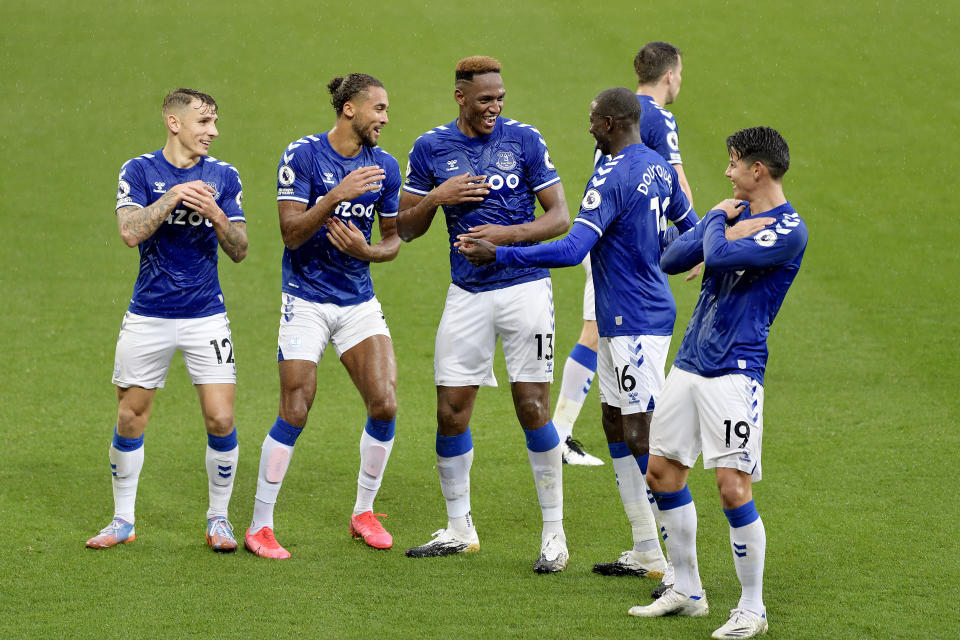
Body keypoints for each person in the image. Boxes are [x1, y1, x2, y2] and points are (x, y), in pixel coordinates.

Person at [459, 87, 698, 583]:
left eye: (593, 119)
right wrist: (656, 249)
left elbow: (571, 250)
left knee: (641, 433)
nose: (588, 126)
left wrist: (500, 254)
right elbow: (689, 230)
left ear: (611, 123)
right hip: (625, 316)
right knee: (614, 422)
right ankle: (645, 548)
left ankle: (680, 571)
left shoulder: (613, 174)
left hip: (636, 320)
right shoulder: (657, 164)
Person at [626, 126, 807, 640]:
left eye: (733, 164)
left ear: (758, 170)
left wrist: (715, 228)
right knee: (662, 472)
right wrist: (718, 225)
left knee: (732, 488)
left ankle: (753, 608)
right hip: (689, 363)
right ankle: (688, 590)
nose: (726, 173)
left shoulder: (790, 229)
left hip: (736, 369)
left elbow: (721, 258)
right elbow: (670, 259)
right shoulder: (733, 213)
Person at [397, 56, 572, 573]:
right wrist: (437, 196)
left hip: (525, 291)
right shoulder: (431, 148)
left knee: (532, 408)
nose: (494, 107)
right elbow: (405, 229)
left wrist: (504, 238)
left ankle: (554, 536)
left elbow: (560, 216)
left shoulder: (524, 140)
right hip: (467, 294)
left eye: (499, 98)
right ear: (460, 98)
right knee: (450, 410)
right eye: (484, 100)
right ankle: (458, 528)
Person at [244, 73, 402, 559]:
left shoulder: (386, 167)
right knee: (296, 407)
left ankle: (363, 513)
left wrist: (368, 250)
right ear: (349, 109)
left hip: (358, 301)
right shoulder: (303, 156)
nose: (385, 118)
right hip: (306, 299)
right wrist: (335, 195)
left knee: (385, 404)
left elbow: (393, 239)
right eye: (378, 108)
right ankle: (259, 526)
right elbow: (290, 233)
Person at [87, 88, 248, 552]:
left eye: (215, 122)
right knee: (130, 416)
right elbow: (129, 232)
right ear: (174, 123)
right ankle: (122, 520)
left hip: (206, 317)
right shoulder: (139, 170)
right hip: (148, 316)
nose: (213, 131)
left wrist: (215, 211)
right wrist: (174, 196)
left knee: (220, 418)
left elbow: (239, 250)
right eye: (203, 122)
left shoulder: (223, 176)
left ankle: (219, 519)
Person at [556, 41, 695, 469]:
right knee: (603, 332)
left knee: (596, 330)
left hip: (599, 226)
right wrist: (697, 242)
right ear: (670, 74)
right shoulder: (658, 117)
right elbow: (676, 182)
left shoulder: (619, 107)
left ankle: (561, 430)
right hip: (623, 242)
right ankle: (561, 433)